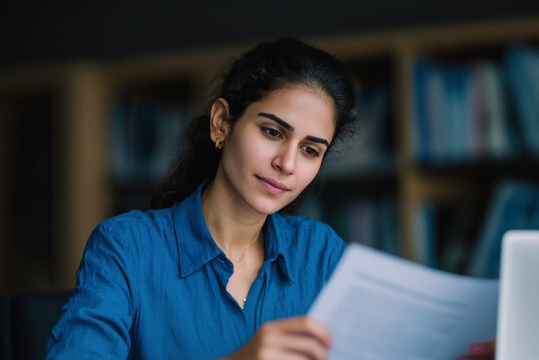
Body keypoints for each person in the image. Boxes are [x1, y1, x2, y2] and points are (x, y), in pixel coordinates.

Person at [46, 38, 494, 359]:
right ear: (222, 122)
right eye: (272, 132)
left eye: (310, 149)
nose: (287, 163)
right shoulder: (126, 247)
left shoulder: (320, 252)